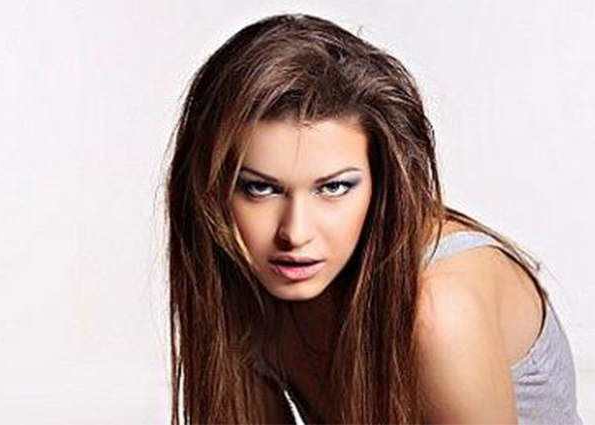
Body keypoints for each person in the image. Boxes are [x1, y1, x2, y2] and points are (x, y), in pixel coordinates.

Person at [162, 13, 583, 425]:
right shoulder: (244, 288)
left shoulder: (437, 312)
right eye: (259, 188)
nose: (295, 233)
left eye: (334, 187)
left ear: (381, 181)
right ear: (209, 190)